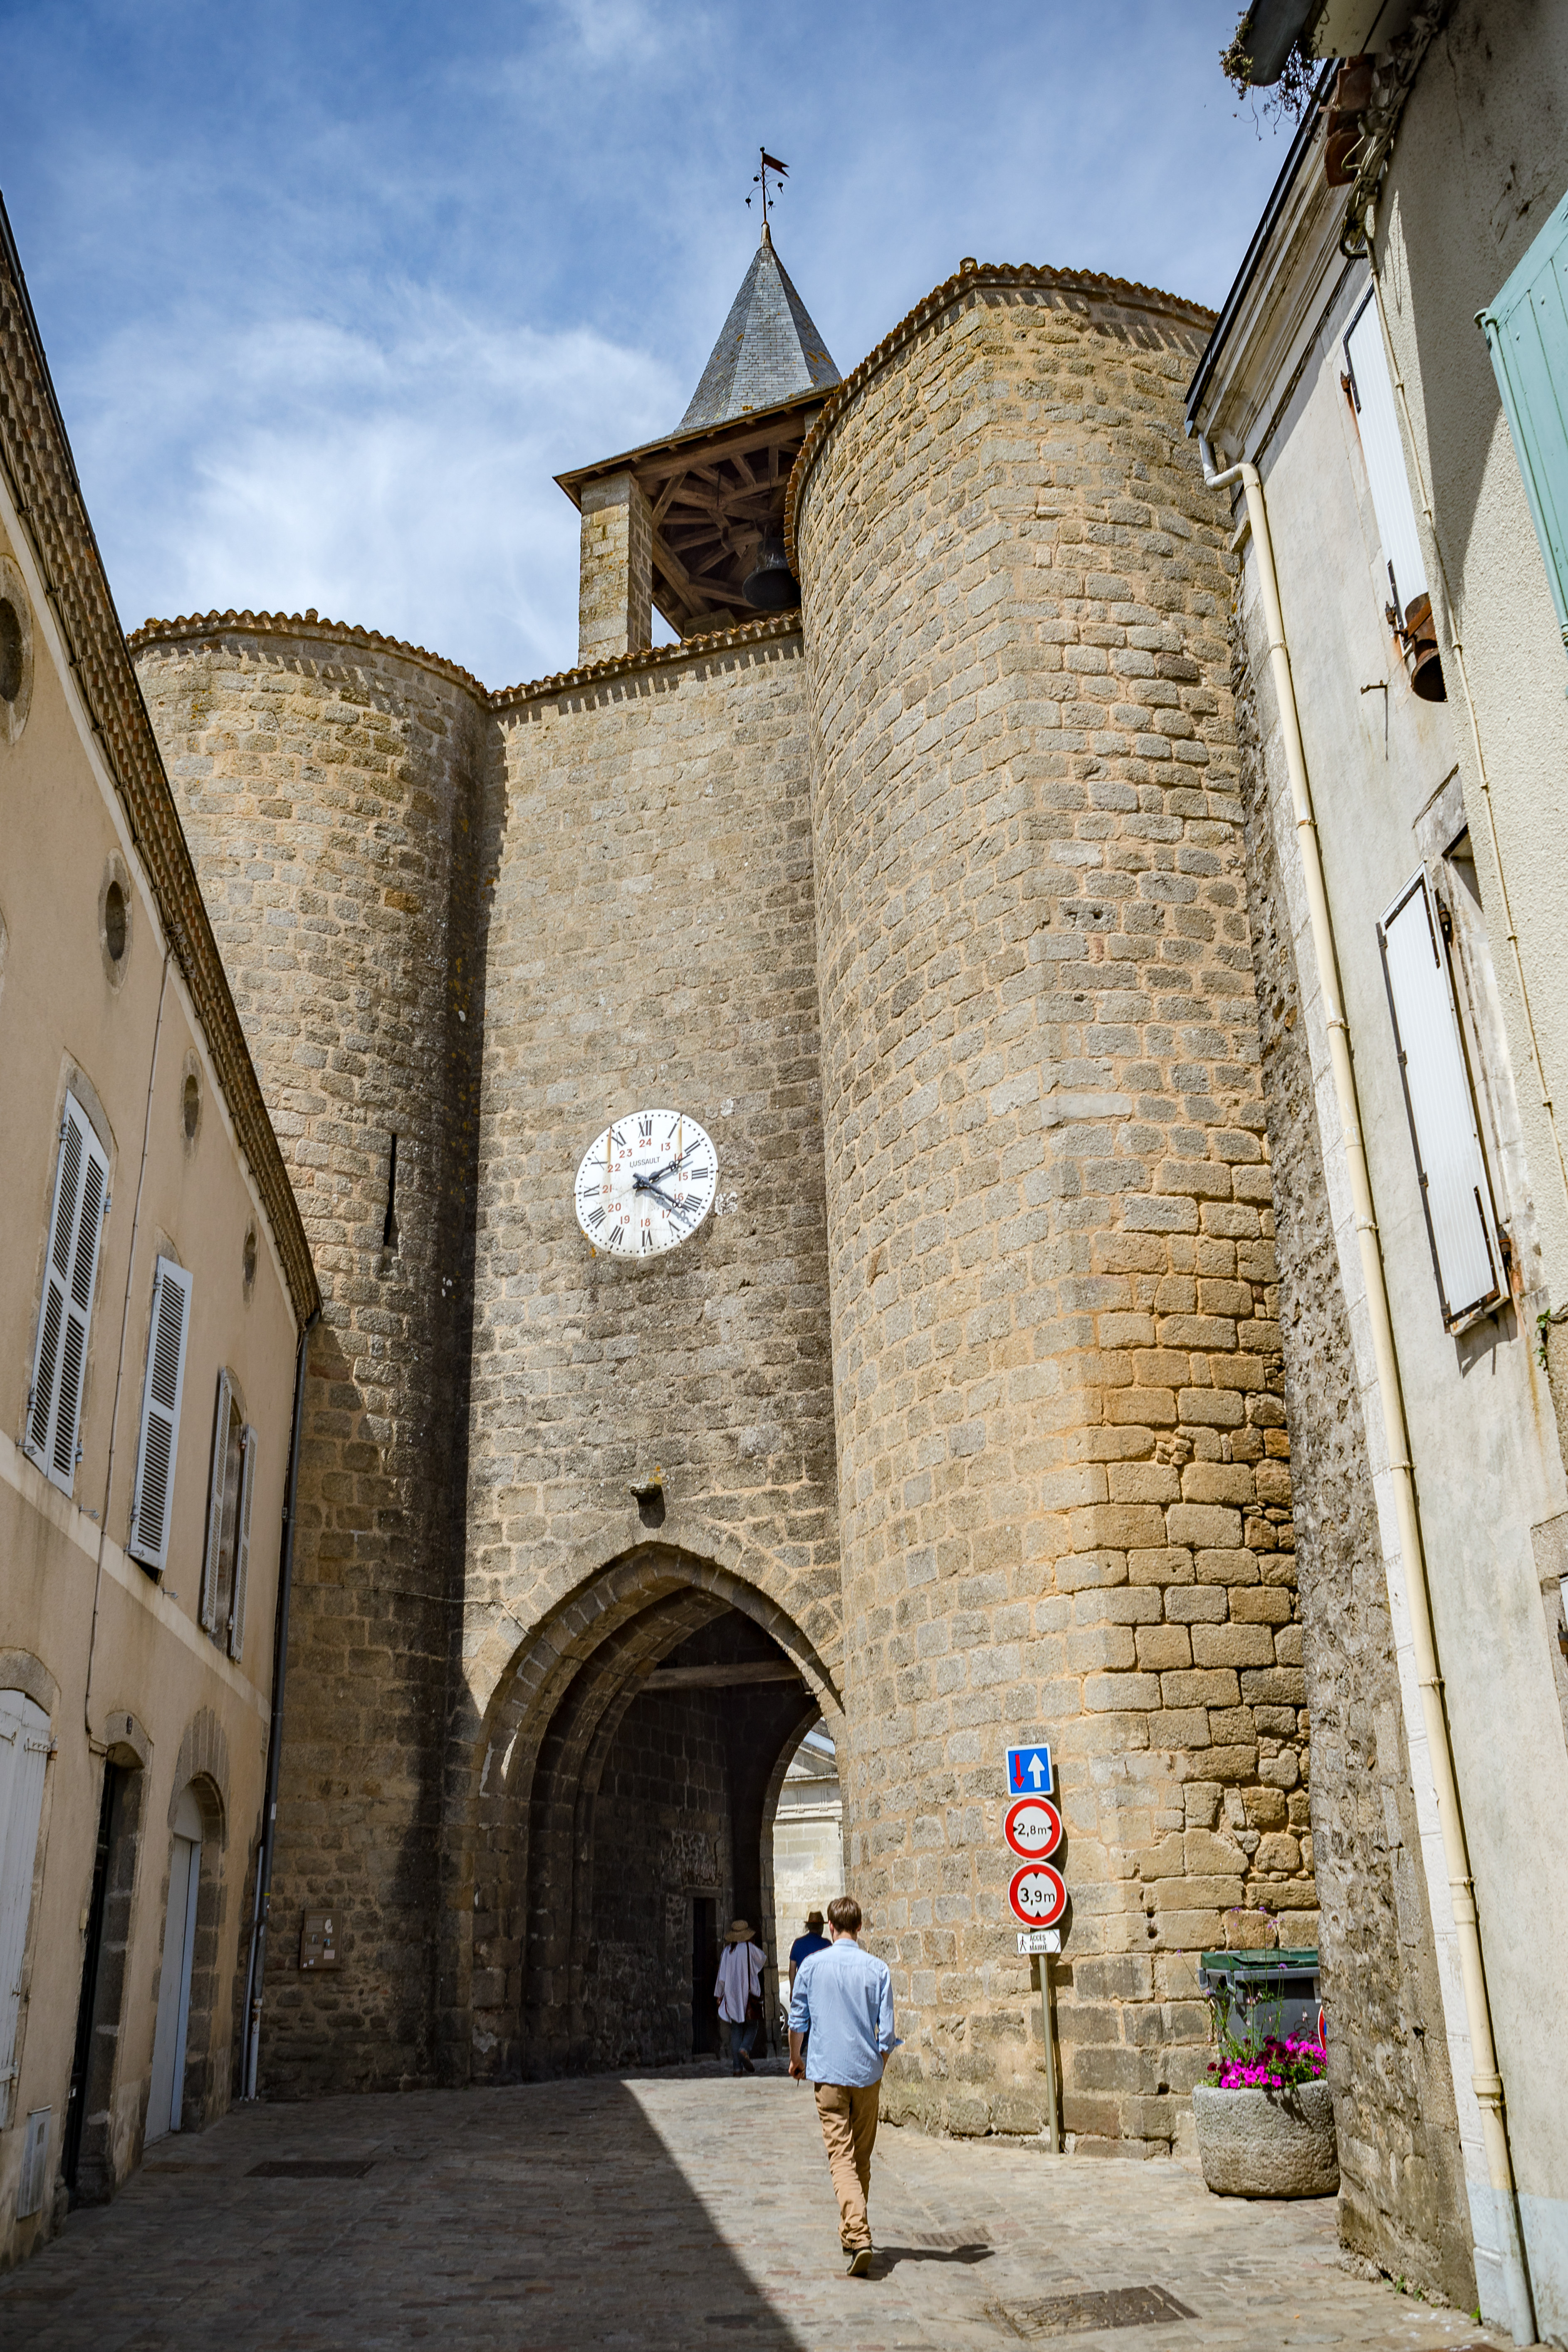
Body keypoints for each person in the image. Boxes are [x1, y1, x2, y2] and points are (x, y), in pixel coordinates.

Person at [788, 1894, 896, 2277]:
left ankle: (859, 2234)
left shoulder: (812, 1965)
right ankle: (851, 2233)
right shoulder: (878, 1969)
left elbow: (798, 2019)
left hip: (830, 2074)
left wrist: (797, 2059)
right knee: (861, 2159)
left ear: (830, 1928)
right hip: (867, 2076)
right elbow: (887, 2034)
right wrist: (879, 2066)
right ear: (860, 1927)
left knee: (841, 2158)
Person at [714, 1917, 766, 2075]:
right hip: (749, 1995)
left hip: (732, 1996)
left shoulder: (727, 1952)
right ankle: (745, 2049)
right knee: (753, 2026)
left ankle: (737, 2068)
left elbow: (722, 1977)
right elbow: (762, 1960)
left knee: (736, 2029)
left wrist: (719, 1995)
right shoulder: (750, 1949)